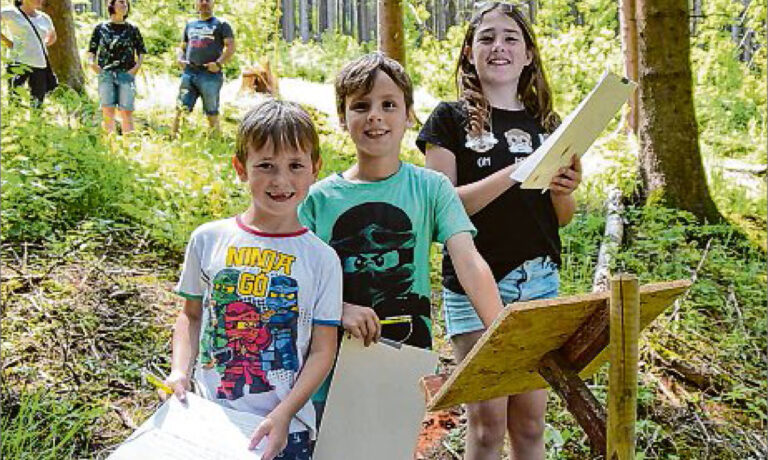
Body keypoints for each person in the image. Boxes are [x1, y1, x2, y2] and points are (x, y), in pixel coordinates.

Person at [299, 52, 505, 424]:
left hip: (405, 367)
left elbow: (468, 260)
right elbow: (296, 283)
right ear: (343, 119)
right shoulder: (318, 199)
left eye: (388, 104)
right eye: (361, 106)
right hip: (328, 373)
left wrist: (502, 333)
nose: (375, 115)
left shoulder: (431, 188)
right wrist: (337, 310)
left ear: (409, 115)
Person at [416, 3, 582, 459]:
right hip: (474, 283)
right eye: (487, 38)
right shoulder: (448, 120)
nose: (499, 47)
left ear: (528, 54)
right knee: (487, 426)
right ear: (469, 52)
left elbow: (559, 217)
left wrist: (564, 189)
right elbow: (440, 208)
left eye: (511, 38)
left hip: (540, 281)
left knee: (530, 425)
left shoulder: (547, 124)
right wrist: (515, 172)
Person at [163, 99, 342, 460]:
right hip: (210, 416)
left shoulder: (322, 259)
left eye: (295, 166)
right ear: (240, 168)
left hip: (286, 429)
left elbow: (323, 349)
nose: (281, 180)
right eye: (265, 166)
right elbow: (191, 316)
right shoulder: (208, 239)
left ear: (315, 168)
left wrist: (285, 412)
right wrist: (179, 371)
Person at [171, 0, 235, 137]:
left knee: (211, 110)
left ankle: (216, 139)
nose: (204, 3)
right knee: (181, 108)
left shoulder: (221, 24)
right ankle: (173, 137)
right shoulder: (190, 24)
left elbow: (230, 47)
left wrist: (218, 64)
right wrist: (180, 58)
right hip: (189, 72)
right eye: (201, 0)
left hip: (210, 74)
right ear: (196, 4)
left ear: (213, 3)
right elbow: (182, 46)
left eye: (208, 0)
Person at [87, 0, 146, 134]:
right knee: (108, 110)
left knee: (126, 111)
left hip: (126, 74)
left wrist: (136, 68)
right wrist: (92, 64)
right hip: (106, 74)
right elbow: (92, 49)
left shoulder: (132, 29)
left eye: (126, 3)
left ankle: (129, 144)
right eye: (121, 2)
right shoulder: (100, 28)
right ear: (112, 5)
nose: (124, 5)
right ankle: (111, 145)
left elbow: (141, 51)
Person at [1, 0, 56, 106]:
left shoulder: (44, 18)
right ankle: (14, 121)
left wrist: (41, 45)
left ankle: (36, 122)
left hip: (40, 63)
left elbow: (53, 35)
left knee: (38, 100)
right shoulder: (10, 12)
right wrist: (8, 42)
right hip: (17, 61)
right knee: (15, 98)